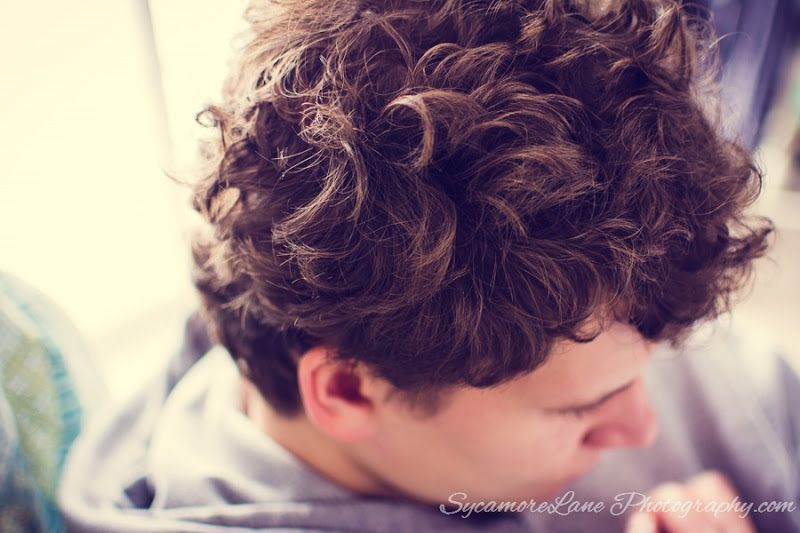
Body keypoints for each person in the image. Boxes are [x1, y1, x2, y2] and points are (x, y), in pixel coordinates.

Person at [58, 0, 800, 531]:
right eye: (579, 409)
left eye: (655, 361)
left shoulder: (610, 314)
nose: (642, 425)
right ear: (348, 390)